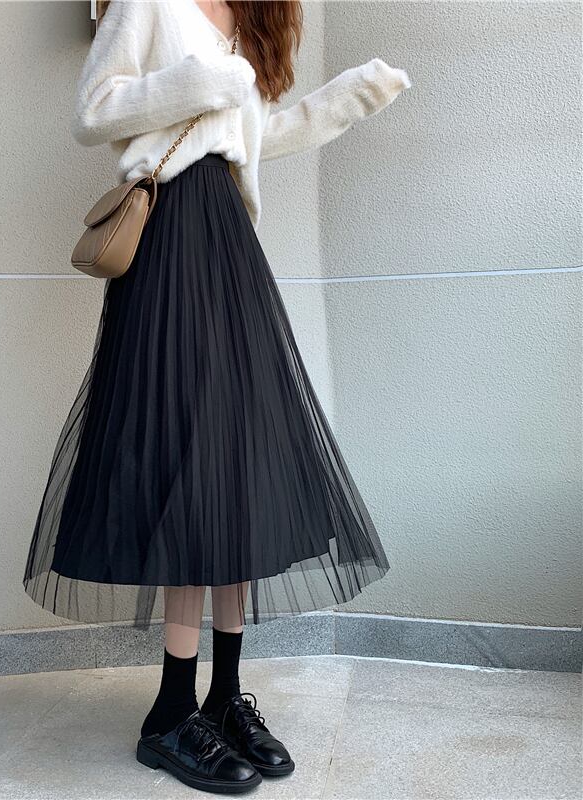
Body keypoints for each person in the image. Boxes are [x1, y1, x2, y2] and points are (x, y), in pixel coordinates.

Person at [24, 0, 411, 793]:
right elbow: (94, 111)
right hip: (170, 237)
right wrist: (204, 79)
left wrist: (345, 100)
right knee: (188, 465)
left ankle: (225, 696)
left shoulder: (247, 18)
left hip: (231, 241)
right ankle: (169, 713)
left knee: (237, 466)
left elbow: (254, 134)